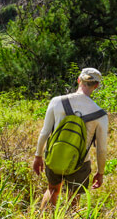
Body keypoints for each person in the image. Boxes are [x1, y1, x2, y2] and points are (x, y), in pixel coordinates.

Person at [32, 68, 109, 207]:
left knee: (52, 190)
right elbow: (101, 149)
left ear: (79, 80)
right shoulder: (100, 114)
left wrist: (38, 156)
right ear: (96, 86)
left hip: (54, 156)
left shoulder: (57, 101)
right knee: (74, 197)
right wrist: (100, 172)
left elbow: (44, 132)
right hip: (81, 162)